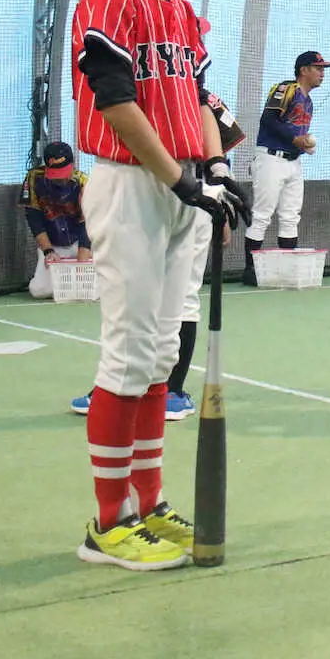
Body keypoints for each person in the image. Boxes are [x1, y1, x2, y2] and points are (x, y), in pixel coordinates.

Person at [71, 0, 249, 571]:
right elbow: (116, 102)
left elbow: (201, 97)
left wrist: (215, 169)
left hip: (181, 185)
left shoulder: (177, 8)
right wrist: (179, 179)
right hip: (131, 184)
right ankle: (108, 524)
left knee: (158, 354)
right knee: (126, 353)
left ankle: (148, 503)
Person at [70, 90, 246, 421]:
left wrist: (219, 185)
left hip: (194, 189)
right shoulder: (141, 87)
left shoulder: (197, 91)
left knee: (182, 295)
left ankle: (172, 390)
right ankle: (128, 383)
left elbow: (218, 143)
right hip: (148, 182)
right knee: (134, 294)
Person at [241, 50, 330, 286]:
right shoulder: (287, 89)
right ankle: (251, 270)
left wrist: (305, 145)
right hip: (271, 159)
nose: (322, 73)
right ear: (303, 70)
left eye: (323, 69)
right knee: (262, 215)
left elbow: (296, 132)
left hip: (293, 161)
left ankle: (287, 269)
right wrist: (295, 139)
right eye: (318, 68)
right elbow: (269, 120)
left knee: (291, 216)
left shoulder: (308, 101)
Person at [19, 140, 92, 298]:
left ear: (72, 165)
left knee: (85, 288)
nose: (60, 179)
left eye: (63, 173)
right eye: (55, 174)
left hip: (80, 244)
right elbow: (34, 219)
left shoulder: (83, 183)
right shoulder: (34, 179)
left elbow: (86, 225)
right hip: (54, 246)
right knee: (39, 291)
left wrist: (82, 265)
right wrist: (48, 251)